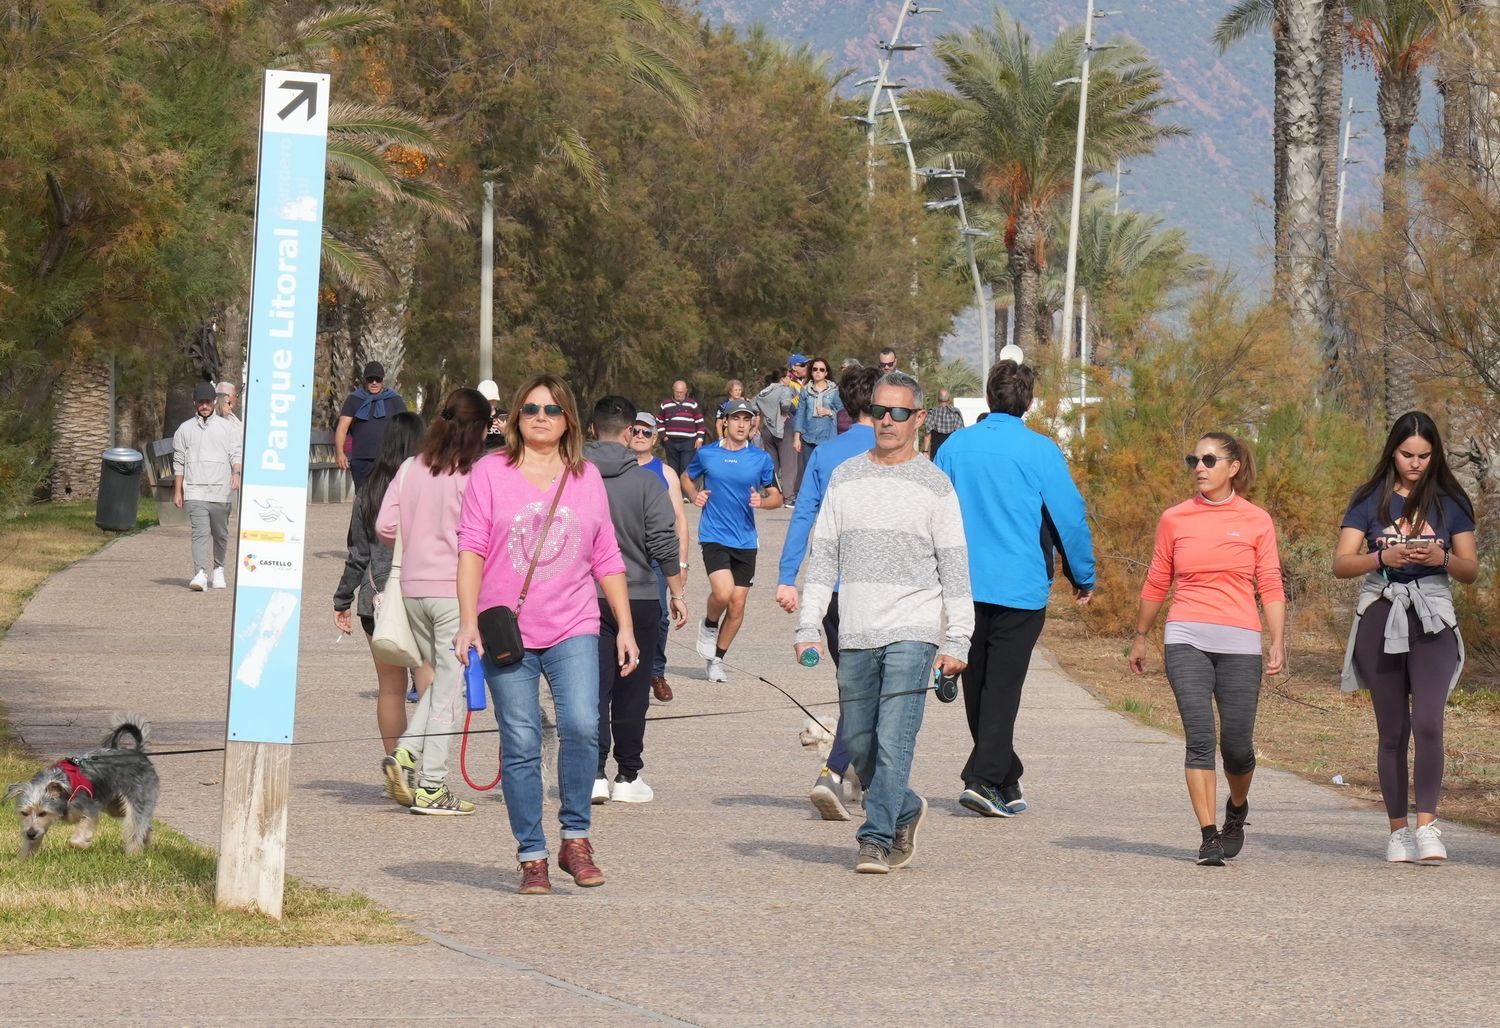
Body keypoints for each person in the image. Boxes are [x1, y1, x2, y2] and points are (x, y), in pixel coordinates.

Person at [453, 374, 637, 896]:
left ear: (568, 421)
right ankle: (531, 853)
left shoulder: (585, 478)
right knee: (521, 741)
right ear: (514, 418)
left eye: (552, 410)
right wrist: (468, 620)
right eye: (530, 408)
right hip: (505, 630)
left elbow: (606, 556)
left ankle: (575, 837)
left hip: (574, 623)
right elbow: (470, 550)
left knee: (581, 725)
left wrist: (624, 625)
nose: (540, 417)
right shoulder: (490, 472)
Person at [794, 371, 972, 873]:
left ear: (918, 419)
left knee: (894, 739)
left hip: (913, 632)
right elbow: (823, 557)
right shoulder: (846, 476)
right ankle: (905, 806)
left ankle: (874, 837)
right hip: (854, 629)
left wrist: (958, 638)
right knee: (861, 742)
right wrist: (808, 625)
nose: (887, 422)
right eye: (879, 411)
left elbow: (956, 567)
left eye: (898, 413)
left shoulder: (934, 485)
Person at [934, 359, 1095, 818]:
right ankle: (982, 778)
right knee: (1001, 687)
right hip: (1020, 586)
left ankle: (1006, 775)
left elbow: (933, 506)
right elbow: (1070, 517)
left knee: (979, 684)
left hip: (963, 583)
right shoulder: (1040, 450)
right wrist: (1082, 575)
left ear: (988, 396)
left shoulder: (954, 447)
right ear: (1028, 400)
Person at [1128, 433, 1286, 866]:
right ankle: (1208, 835)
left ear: (1233, 467)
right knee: (1200, 739)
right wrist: (1141, 635)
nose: (1199, 466)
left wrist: (1277, 640)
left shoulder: (1257, 520)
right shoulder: (1175, 519)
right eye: (1193, 459)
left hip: (1239, 641)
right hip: (1186, 637)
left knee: (1237, 746)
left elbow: (1270, 582)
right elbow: (1158, 580)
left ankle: (1237, 810)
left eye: (1209, 459)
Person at [1334, 411, 1478, 864]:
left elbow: (1470, 570)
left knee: (1429, 721)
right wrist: (1385, 556)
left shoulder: (1451, 501)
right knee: (1392, 728)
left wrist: (1441, 556)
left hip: (1432, 614)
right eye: (1406, 454)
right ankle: (1398, 830)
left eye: (1424, 455)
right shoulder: (1369, 499)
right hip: (1381, 611)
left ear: (1434, 455)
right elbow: (1342, 562)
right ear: (1392, 451)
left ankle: (1428, 826)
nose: (1415, 463)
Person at [375, 389, 491, 816]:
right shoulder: (475, 474)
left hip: (411, 589)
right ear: (478, 428)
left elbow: (385, 525)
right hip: (454, 591)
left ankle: (407, 756)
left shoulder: (409, 468)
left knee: (446, 684)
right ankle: (431, 785)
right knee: (448, 691)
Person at [776, 364, 880, 820]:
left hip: (834, 590)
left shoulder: (827, 454)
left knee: (855, 685)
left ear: (843, 405)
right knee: (869, 690)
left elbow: (803, 515)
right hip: (879, 589)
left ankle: (864, 778)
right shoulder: (893, 452)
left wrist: (786, 575)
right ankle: (835, 772)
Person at [585, 397, 688, 804]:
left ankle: (592, 772)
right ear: (630, 433)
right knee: (632, 687)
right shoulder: (648, 482)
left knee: (593, 686)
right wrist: (676, 590)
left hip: (585, 595)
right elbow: (663, 540)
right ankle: (628, 776)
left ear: (593, 430)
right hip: (641, 592)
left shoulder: (571, 477)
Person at [334, 411, 433, 755]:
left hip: (376, 601)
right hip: (424, 594)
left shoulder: (369, 491)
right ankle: (427, 769)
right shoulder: (431, 485)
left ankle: (395, 766)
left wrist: (342, 600)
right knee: (429, 685)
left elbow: (357, 554)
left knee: (390, 689)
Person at [682, 398, 782, 683]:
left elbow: (776, 495)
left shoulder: (761, 458)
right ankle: (710, 623)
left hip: (746, 540)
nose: (741, 424)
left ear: (752, 424)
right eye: (735, 418)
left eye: (746, 419)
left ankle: (717, 660)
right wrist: (694, 495)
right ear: (724, 422)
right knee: (723, 593)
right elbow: (686, 478)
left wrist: (763, 502)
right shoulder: (708, 454)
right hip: (714, 534)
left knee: (737, 605)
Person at [628, 411, 690, 702]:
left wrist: (681, 562)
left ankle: (655, 670)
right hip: (624, 553)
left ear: (655, 438)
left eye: (646, 432)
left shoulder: (665, 473)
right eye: (636, 431)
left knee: (661, 615)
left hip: (656, 556)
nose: (640, 437)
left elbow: (680, 518)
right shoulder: (618, 468)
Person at [172, 381, 243, 591]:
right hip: (195, 489)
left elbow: (235, 453)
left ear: (214, 401)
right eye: (200, 402)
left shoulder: (227, 427)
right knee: (200, 533)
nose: (204, 406)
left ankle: (218, 569)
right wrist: (178, 490)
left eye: (207, 402)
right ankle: (200, 573)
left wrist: (236, 473)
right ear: (195, 403)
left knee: (220, 532)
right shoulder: (184, 429)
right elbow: (178, 461)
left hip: (221, 490)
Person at [335, 362, 408, 489]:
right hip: (361, 460)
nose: (374, 382)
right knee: (362, 498)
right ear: (365, 380)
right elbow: (342, 428)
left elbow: (406, 428)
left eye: (378, 379)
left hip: (388, 459)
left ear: (382, 380)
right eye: (370, 379)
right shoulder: (354, 399)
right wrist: (340, 453)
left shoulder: (394, 400)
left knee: (385, 498)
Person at [790, 357, 842, 468]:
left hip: (828, 438)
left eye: (821, 370)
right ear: (811, 371)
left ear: (826, 373)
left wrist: (829, 412)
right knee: (809, 471)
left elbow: (842, 412)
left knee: (825, 470)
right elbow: (800, 414)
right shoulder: (805, 390)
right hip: (808, 439)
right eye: (815, 369)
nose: (818, 371)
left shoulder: (834, 390)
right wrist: (796, 437)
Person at [752, 368, 795, 486]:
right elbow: (785, 404)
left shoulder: (765, 391)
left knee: (772, 464)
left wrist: (765, 412)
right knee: (788, 464)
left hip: (766, 428)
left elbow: (753, 405)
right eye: (789, 377)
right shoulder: (785, 389)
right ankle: (788, 496)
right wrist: (784, 412)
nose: (790, 379)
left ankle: (773, 492)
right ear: (783, 378)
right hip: (782, 427)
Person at [657, 380, 706, 479]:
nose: (679, 394)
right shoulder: (665, 404)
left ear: (686, 391)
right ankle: (674, 492)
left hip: (688, 442)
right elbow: (659, 420)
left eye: (681, 392)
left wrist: (699, 439)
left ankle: (685, 493)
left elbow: (700, 422)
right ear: (673, 390)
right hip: (670, 441)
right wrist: (664, 436)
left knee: (685, 469)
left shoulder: (692, 404)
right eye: (677, 392)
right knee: (672, 470)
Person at [923, 388, 964, 458]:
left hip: (936, 452)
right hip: (951, 452)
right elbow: (960, 434)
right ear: (949, 399)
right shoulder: (955, 413)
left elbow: (928, 434)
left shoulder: (932, 413)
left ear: (938, 399)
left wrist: (925, 451)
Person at [477, 379, 506, 451]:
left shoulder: (503, 415)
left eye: (493, 400)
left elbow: (515, 440)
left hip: (500, 452)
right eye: (488, 400)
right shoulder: (474, 415)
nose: (491, 403)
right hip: (480, 454)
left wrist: (506, 431)